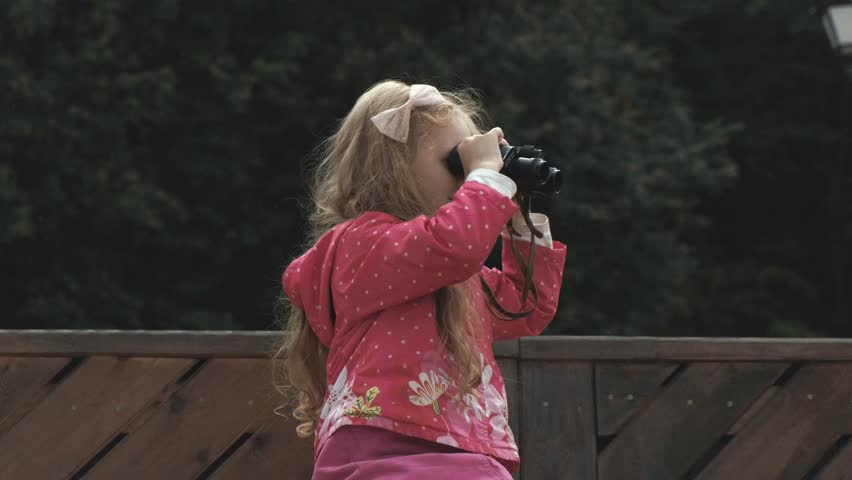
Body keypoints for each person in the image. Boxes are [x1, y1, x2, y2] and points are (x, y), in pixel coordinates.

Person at [276, 80, 567, 479]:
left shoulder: (442, 267)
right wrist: (485, 176)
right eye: (456, 162)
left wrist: (517, 222)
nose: (468, 175)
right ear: (392, 165)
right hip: (387, 448)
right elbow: (455, 245)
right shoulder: (362, 248)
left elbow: (523, 308)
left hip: (459, 451)